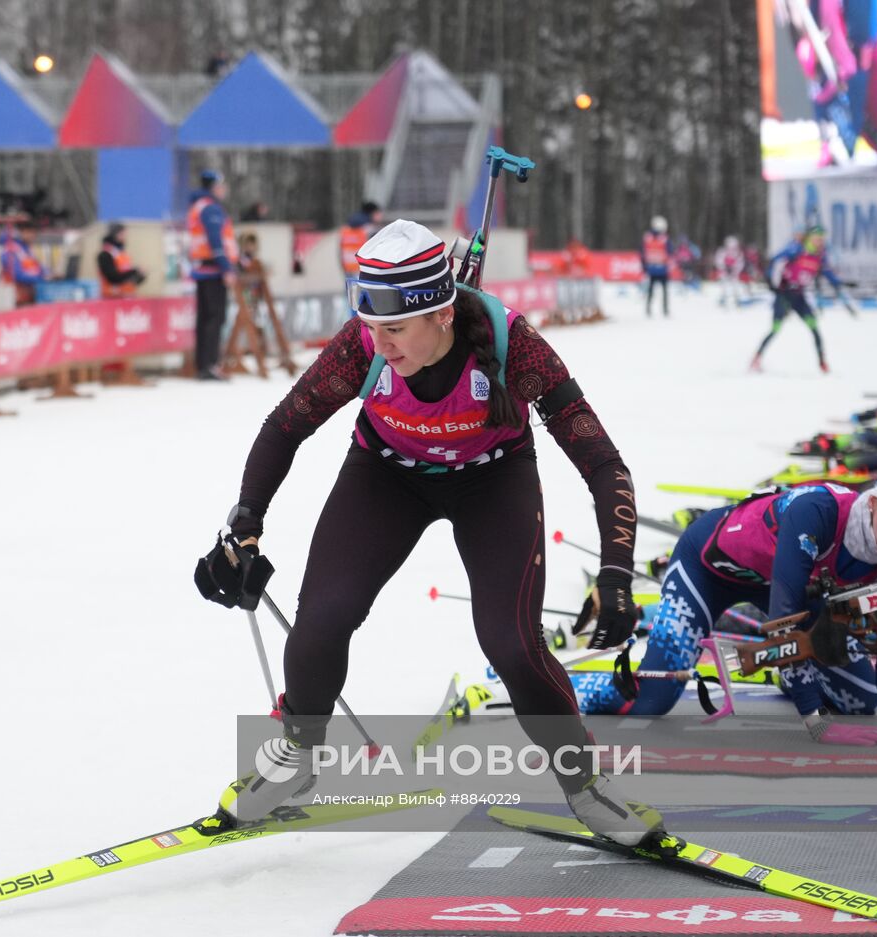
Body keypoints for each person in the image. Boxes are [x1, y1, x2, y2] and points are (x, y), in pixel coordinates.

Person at [199, 219, 659, 845]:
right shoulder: (362, 344)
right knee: (322, 618)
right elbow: (285, 425)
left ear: (441, 315)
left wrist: (616, 574)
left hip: (493, 481)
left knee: (514, 645)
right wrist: (245, 524)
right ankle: (297, 752)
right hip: (387, 474)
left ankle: (585, 786)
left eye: (394, 329)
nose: (379, 344)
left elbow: (603, 462)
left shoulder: (511, 346)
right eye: (371, 326)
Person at [571, 454, 877, 744]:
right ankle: (564, 685)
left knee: (859, 705)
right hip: (707, 569)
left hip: (780, 587)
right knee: (651, 702)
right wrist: (817, 723)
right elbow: (784, 622)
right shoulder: (818, 510)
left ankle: (788, 676)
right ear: (873, 502)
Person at [751, 224, 838, 373]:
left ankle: (823, 364)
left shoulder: (820, 255)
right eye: (817, 239)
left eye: (822, 239)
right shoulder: (796, 249)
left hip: (799, 296)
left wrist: (837, 283)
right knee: (775, 329)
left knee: (814, 327)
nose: (820, 242)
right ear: (810, 238)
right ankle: (757, 358)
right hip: (784, 294)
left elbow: (826, 271)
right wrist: (772, 283)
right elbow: (776, 261)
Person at [187, 169, 237, 381]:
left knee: (205, 318)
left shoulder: (197, 207)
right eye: (221, 186)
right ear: (214, 187)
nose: (224, 190)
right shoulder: (211, 209)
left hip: (202, 269)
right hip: (214, 270)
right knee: (215, 319)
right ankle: (209, 365)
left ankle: (203, 364)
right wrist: (227, 267)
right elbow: (216, 241)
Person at [0, 221, 47, 306]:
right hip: (16, 299)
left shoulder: (27, 250)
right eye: (29, 232)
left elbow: (38, 268)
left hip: (30, 296)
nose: (32, 236)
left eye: (34, 233)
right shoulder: (11, 249)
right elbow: (16, 274)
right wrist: (40, 278)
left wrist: (47, 274)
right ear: (21, 232)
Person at [97, 222, 145, 299]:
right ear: (115, 235)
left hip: (127, 297)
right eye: (122, 234)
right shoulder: (105, 254)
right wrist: (134, 272)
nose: (125, 237)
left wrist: (139, 276)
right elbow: (113, 277)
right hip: (111, 298)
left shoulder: (121, 254)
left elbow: (129, 280)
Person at [339, 201, 383, 279]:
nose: (381, 216)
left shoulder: (346, 229)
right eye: (378, 213)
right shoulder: (369, 229)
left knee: (350, 290)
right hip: (364, 269)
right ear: (372, 213)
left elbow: (341, 250)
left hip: (348, 268)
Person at [640, 216, 673, 317]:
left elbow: (641, 253)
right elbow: (670, 252)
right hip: (662, 268)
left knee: (650, 290)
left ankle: (648, 309)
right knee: (664, 290)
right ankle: (665, 309)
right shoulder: (664, 239)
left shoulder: (647, 237)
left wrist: (644, 267)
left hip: (651, 268)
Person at [714, 235, 746, 308]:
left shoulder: (738, 253)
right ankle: (723, 300)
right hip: (724, 272)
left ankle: (736, 300)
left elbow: (741, 263)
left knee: (735, 286)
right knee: (724, 287)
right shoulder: (722, 251)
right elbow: (718, 261)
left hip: (734, 273)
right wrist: (724, 268)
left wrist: (735, 270)